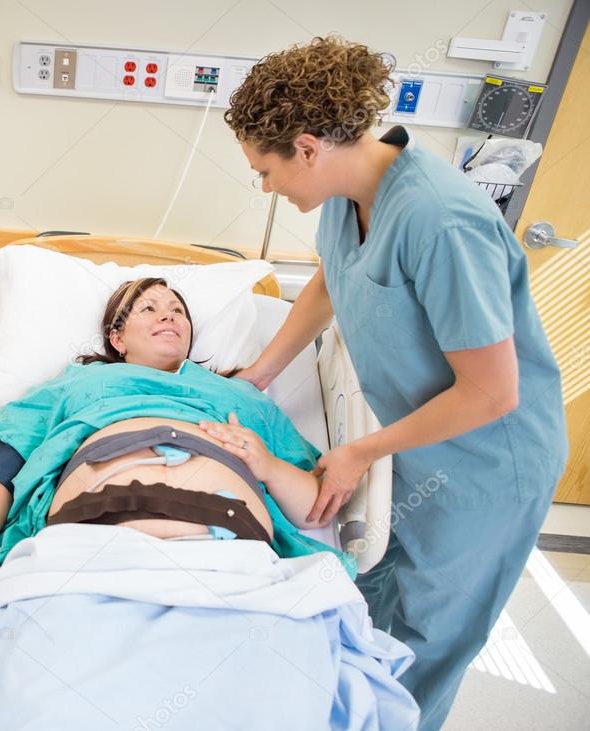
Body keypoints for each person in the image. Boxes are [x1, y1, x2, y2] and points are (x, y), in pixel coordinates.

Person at [223, 35, 568, 730]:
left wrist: (358, 450)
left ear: (309, 147)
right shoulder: (345, 195)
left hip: (485, 467)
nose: (265, 187)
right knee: (373, 605)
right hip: (414, 446)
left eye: (265, 170)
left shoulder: (439, 220)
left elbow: (491, 392)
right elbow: (330, 276)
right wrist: (260, 372)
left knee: (425, 639)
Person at [0, 277, 346, 642]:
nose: (168, 315)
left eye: (177, 310)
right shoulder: (77, 384)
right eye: (148, 309)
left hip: (227, 554)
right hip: (88, 543)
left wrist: (266, 464)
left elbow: (313, 510)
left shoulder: (241, 395)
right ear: (117, 339)